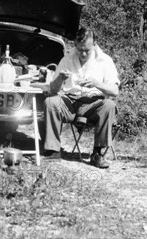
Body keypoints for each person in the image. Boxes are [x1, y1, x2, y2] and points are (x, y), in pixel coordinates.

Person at [43, 27, 119, 168]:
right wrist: (60, 78)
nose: (83, 54)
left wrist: (97, 84)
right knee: (51, 102)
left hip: (93, 104)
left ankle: (98, 154)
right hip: (70, 102)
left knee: (109, 105)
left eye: (87, 50)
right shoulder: (67, 59)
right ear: (75, 45)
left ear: (95, 45)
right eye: (80, 50)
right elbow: (52, 89)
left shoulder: (105, 61)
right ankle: (53, 150)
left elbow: (115, 91)